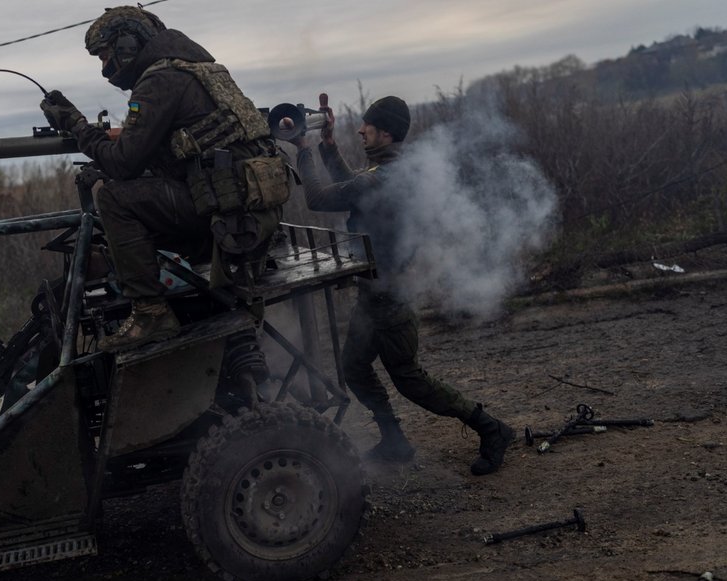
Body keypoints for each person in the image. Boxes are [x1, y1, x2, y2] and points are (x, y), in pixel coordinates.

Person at [286, 93, 515, 475]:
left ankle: (491, 428)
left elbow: (317, 198)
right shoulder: (394, 171)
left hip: (390, 300)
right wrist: (329, 147)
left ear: (386, 134)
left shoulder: (385, 177)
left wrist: (303, 149)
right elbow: (354, 187)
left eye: (367, 127)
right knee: (355, 368)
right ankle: (394, 440)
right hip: (374, 296)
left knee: (411, 381)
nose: (359, 130)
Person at [40, 6, 287, 352]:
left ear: (127, 45)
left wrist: (77, 125)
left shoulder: (158, 81)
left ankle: (150, 312)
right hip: (247, 213)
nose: (104, 67)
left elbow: (124, 163)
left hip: (224, 215)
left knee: (113, 199)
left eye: (106, 55)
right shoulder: (201, 69)